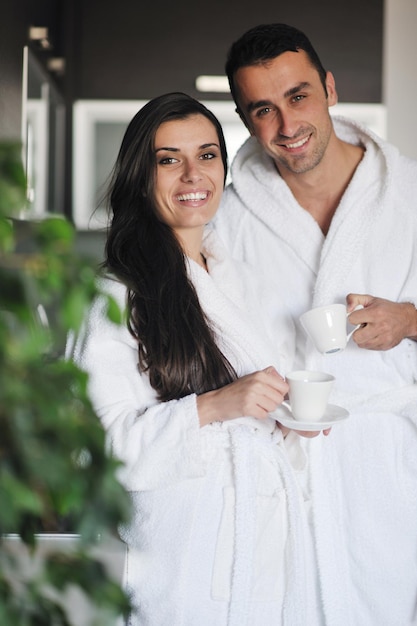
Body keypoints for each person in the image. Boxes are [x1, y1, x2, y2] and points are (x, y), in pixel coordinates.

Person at [67, 92, 322, 626]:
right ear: (142, 175)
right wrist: (214, 406)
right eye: (169, 160)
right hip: (183, 566)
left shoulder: (240, 281)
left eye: (207, 156)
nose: (192, 176)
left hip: (265, 555)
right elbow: (99, 453)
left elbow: (256, 410)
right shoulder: (114, 297)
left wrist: (287, 420)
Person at [213, 23, 417, 626]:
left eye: (298, 96)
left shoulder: (408, 193)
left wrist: (409, 319)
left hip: (386, 468)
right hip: (281, 465)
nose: (287, 126)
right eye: (264, 110)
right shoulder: (230, 215)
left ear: (329, 88)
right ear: (247, 121)